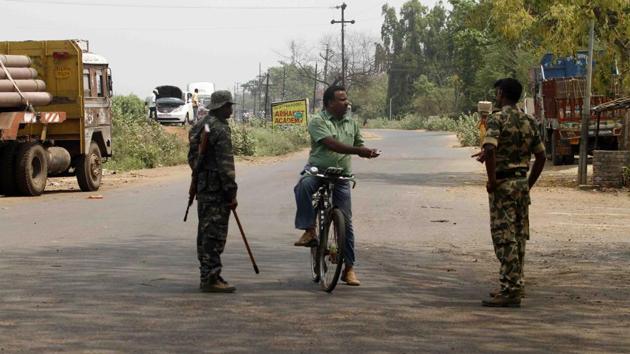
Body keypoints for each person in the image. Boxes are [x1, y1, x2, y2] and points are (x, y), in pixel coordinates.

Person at [293, 85, 380, 286]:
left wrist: (367, 151)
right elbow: (331, 144)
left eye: (346, 99)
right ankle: (309, 230)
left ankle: (349, 268)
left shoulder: (352, 123)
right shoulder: (318, 121)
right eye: (342, 99)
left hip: (342, 176)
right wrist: (359, 152)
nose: (347, 102)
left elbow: (358, 143)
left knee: (346, 223)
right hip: (319, 171)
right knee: (303, 186)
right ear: (329, 103)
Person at [474, 78, 545, 307]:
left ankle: (511, 291)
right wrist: (528, 183)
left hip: (503, 186)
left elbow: (490, 149)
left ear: (502, 93)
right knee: (518, 236)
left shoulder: (497, 118)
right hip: (521, 185)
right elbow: (541, 156)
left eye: (497, 91)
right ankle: (514, 284)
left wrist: (492, 181)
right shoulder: (529, 120)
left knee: (504, 239)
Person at [188, 90, 238, 293]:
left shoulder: (202, 124)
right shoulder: (220, 129)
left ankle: (208, 274)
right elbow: (226, 166)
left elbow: (192, 157)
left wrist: (200, 173)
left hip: (203, 185)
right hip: (217, 189)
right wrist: (231, 192)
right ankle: (211, 277)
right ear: (221, 107)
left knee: (205, 231)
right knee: (215, 234)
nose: (231, 109)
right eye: (228, 106)